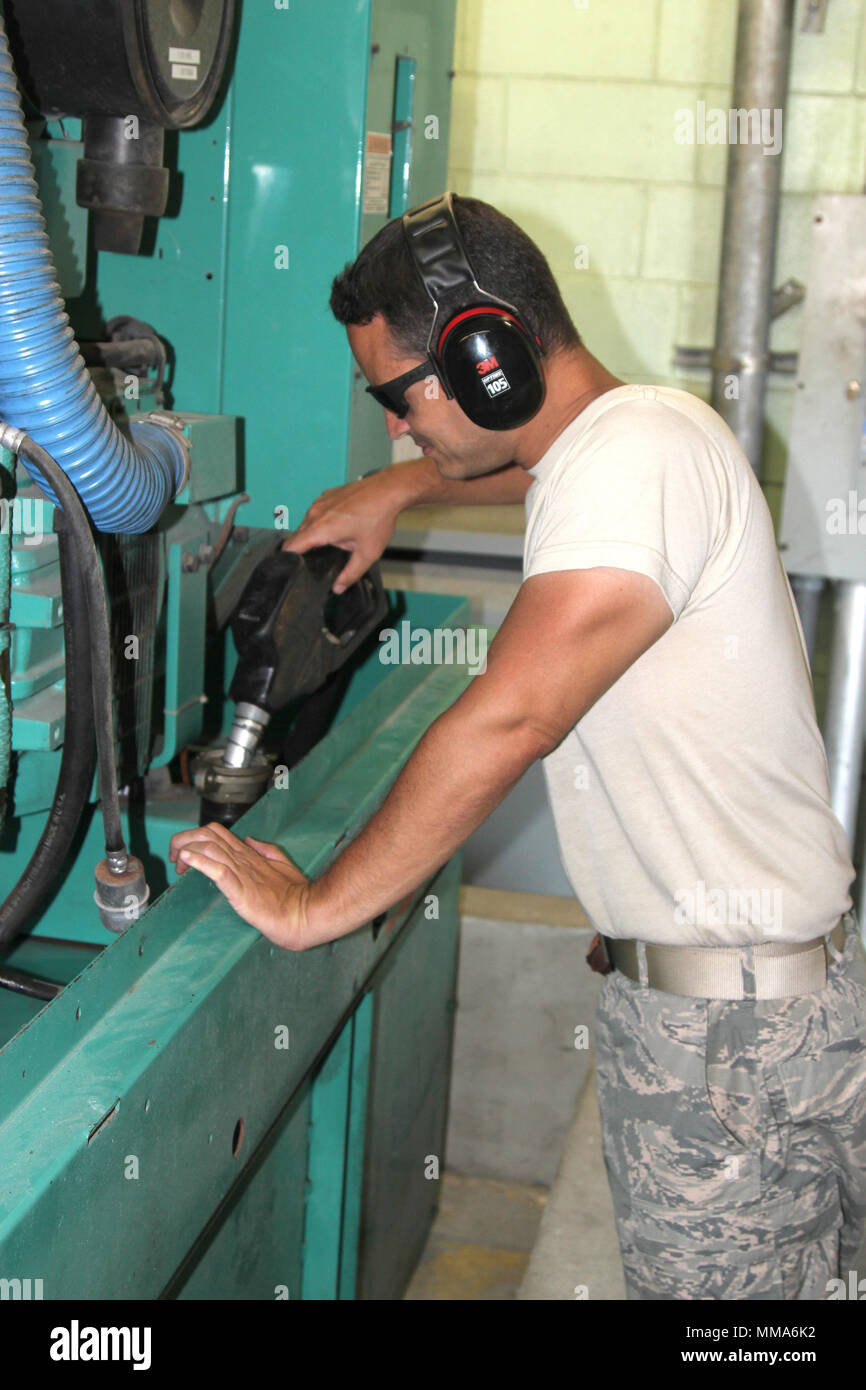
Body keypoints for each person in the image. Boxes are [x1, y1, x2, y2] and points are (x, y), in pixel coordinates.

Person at [169, 193, 866, 1301]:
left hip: (727, 1045)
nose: (395, 424)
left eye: (397, 398)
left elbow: (512, 717)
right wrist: (396, 491)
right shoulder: (632, 439)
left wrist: (317, 906)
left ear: (483, 356)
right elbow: (536, 474)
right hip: (751, 1002)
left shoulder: (632, 458)